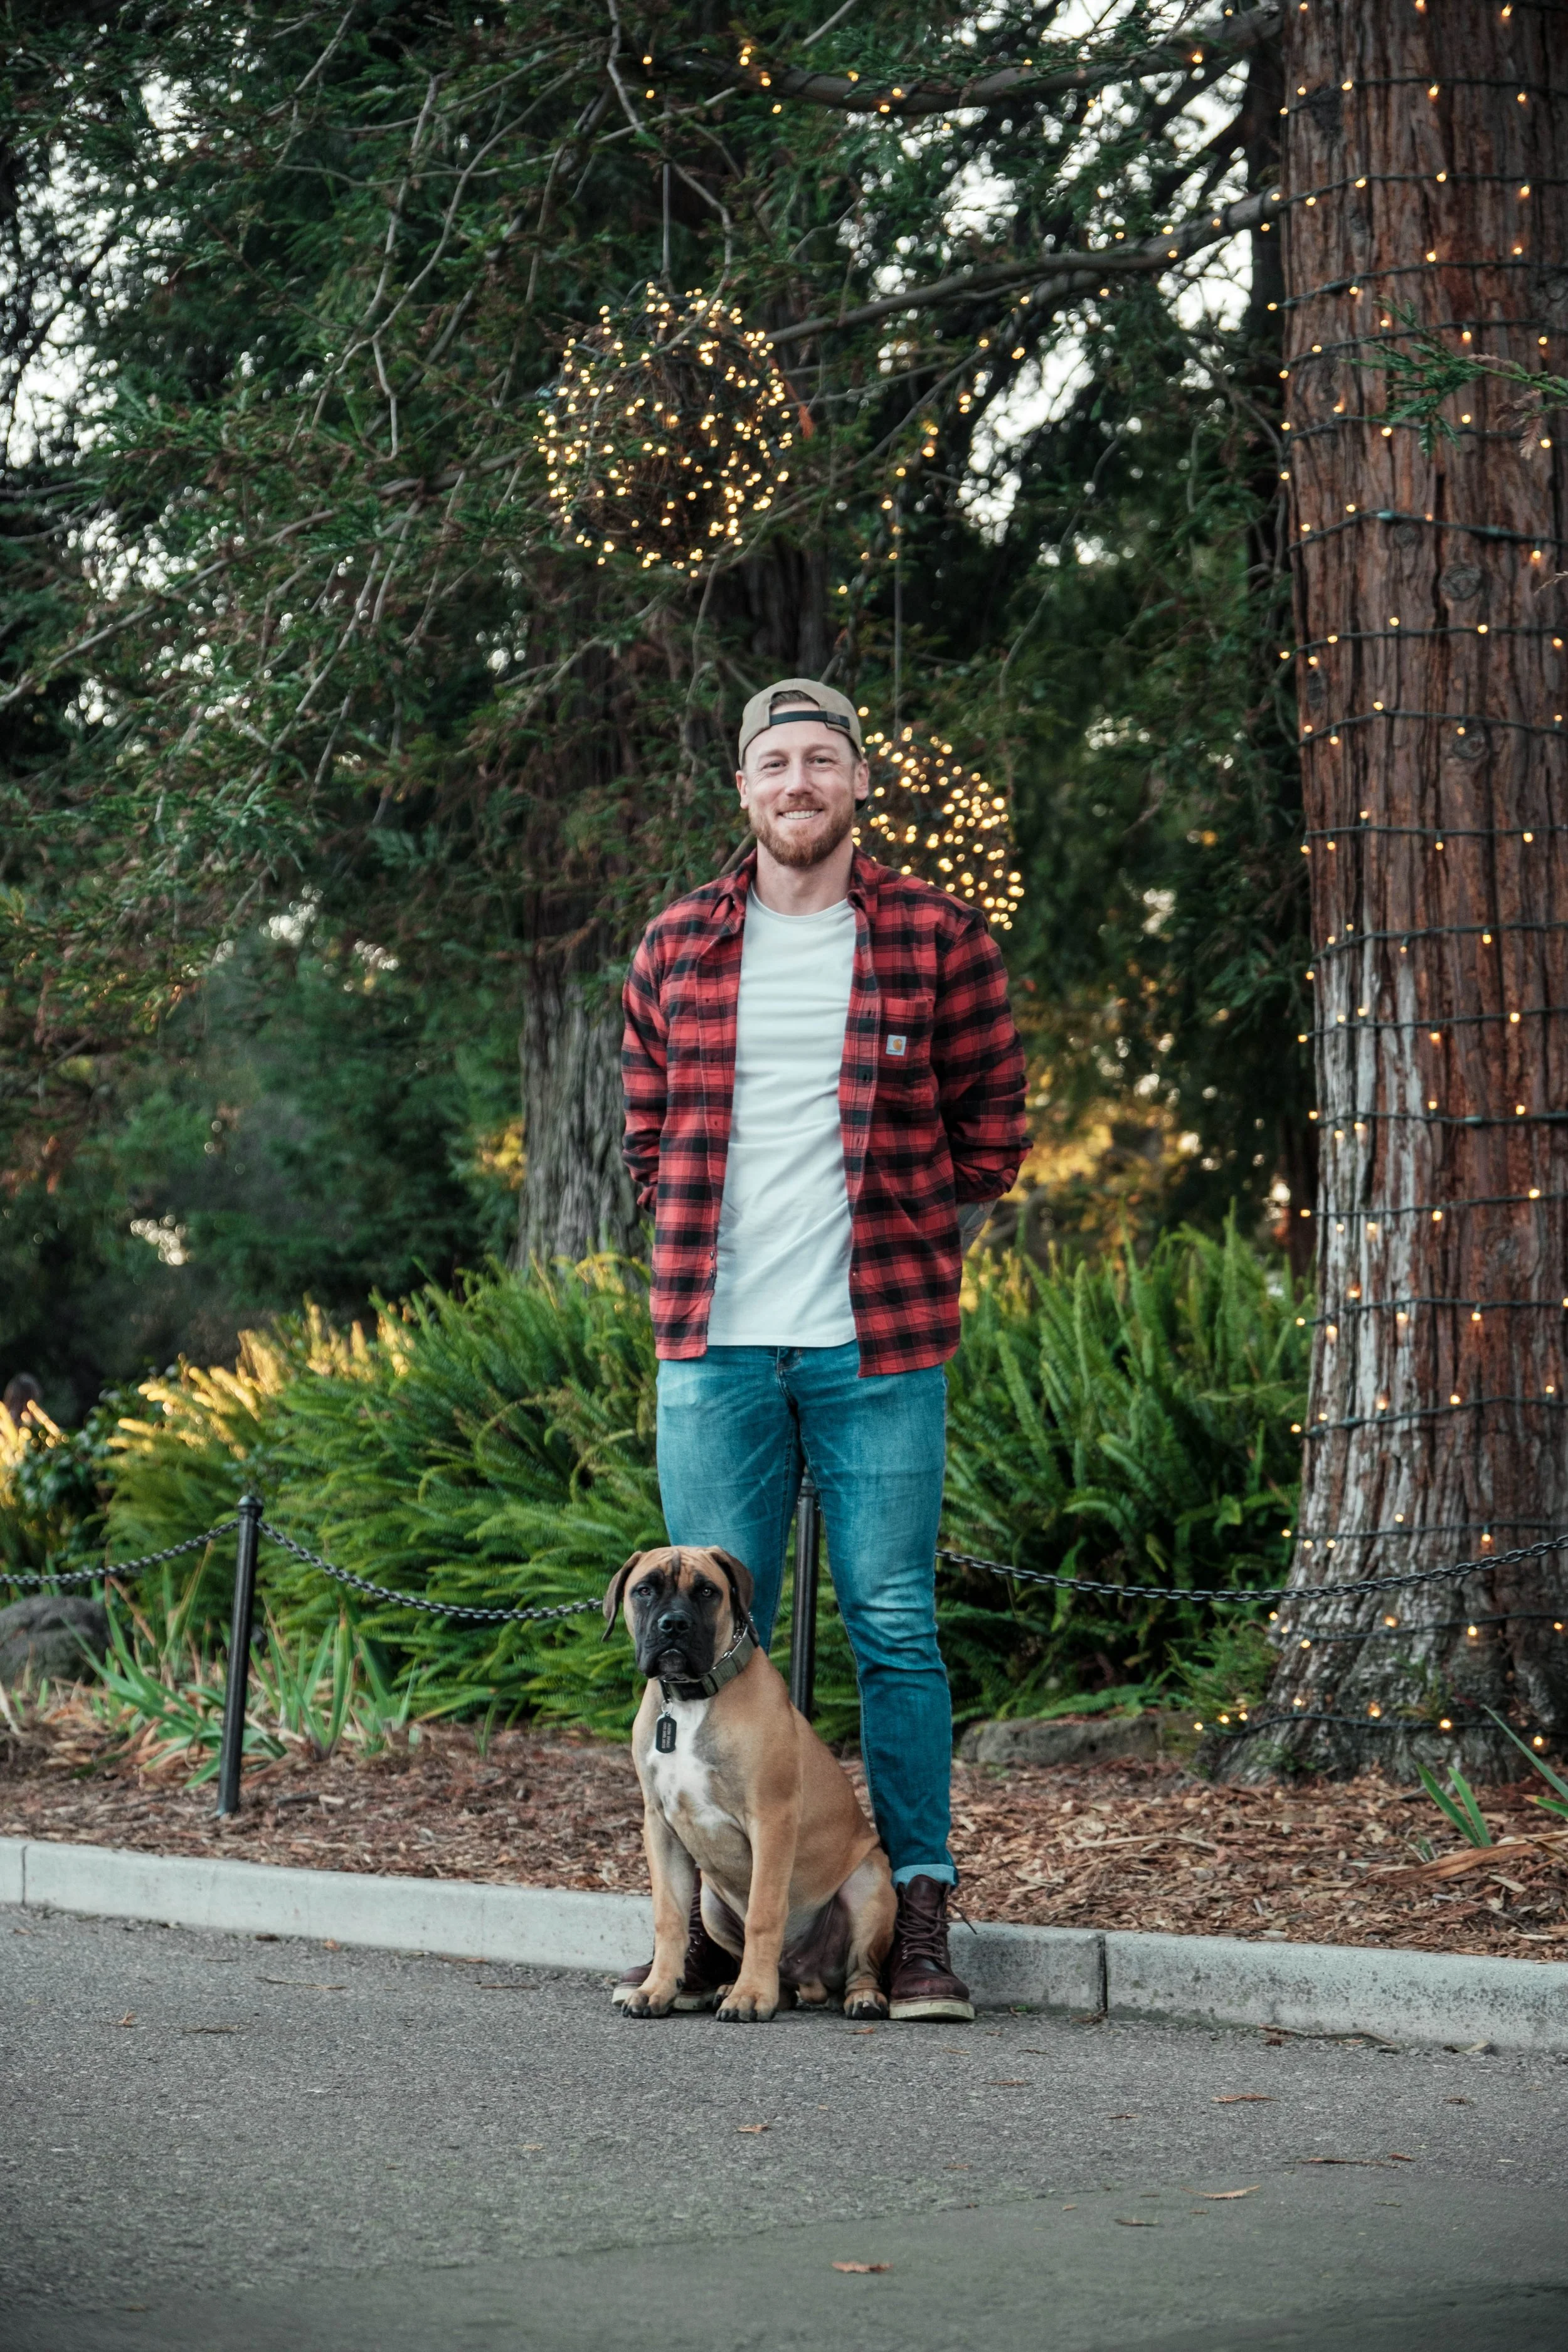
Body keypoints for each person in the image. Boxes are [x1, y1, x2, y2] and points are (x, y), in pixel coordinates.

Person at [618, 677, 1027, 2021]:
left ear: (857, 784)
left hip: (881, 1344)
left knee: (895, 1627)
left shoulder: (934, 938)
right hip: (715, 1349)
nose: (796, 783)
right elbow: (641, 1134)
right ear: (742, 789)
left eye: (820, 761)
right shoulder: (675, 943)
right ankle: (700, 1946)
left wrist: (914, 1233)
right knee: (707, 1649)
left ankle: (913, 1921)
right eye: (772, 763)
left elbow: (994, 1123)